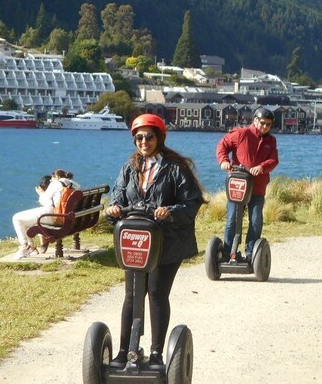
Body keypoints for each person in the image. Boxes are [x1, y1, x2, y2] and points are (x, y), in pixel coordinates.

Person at [105, 114, 203, 369]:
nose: (144, 141)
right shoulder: (130, 167)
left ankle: (157, 353)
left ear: (159, 137)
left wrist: (169, 211)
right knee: (132, 295)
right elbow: (118, 196)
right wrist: (115, 209)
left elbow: (192, 201)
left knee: (157, 294)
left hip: (167, 242)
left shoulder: (174, 167)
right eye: (139, 137)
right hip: (136, 240)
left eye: (149, 136)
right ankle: (124, 351)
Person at [216, 107, 279, 261]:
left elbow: (274, 160)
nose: (265, 127)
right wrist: (224, 161)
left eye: (268, 125)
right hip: (238, 185)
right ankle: (228, 252)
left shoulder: (271, 140)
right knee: (232, 220)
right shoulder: (241, 134)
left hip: (258, 187)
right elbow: (222, 146)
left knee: (256, 220)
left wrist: (262, 167)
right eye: (262, 123)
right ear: (255, 120)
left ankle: (250, 252)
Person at [12, 169, 72, 258]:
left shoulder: (56, 184)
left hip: (53, 215)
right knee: (26, 220)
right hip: (68, 217)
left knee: (17, 218)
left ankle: (25, 246)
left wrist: (41, 193)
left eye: (52, 178)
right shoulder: (73, 185)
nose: (51, 180)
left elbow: (43, 200)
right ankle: (31, 248)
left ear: (57, 177)